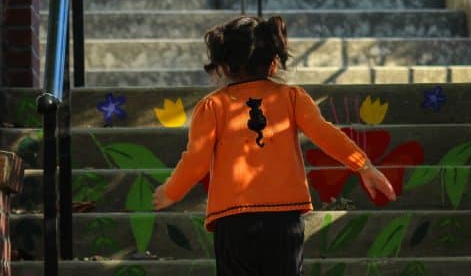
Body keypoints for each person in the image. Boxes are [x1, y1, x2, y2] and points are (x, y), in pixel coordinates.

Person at [151, 15, 397, 275]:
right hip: (283, 220)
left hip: (234, 220)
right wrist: (364, 166)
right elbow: (325, 134)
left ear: (223, 66)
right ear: (274, 63)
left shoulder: (212, 106)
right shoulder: (292, 97)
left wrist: (172, 191)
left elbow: (196, 159)